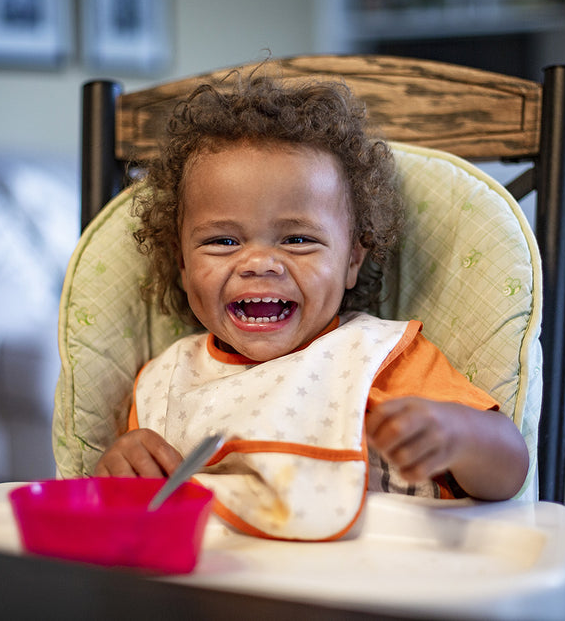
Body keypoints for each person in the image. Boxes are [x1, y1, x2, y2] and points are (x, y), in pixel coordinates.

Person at [94, 71, 528, 539]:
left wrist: (457, 435)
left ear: (352, 260)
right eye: (223, 240)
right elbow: (130, 516)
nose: (259, 262)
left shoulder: (380, 359)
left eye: (298, 239)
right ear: (181, 263)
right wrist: (118, 469)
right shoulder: (165, 384)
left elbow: (509, 470)